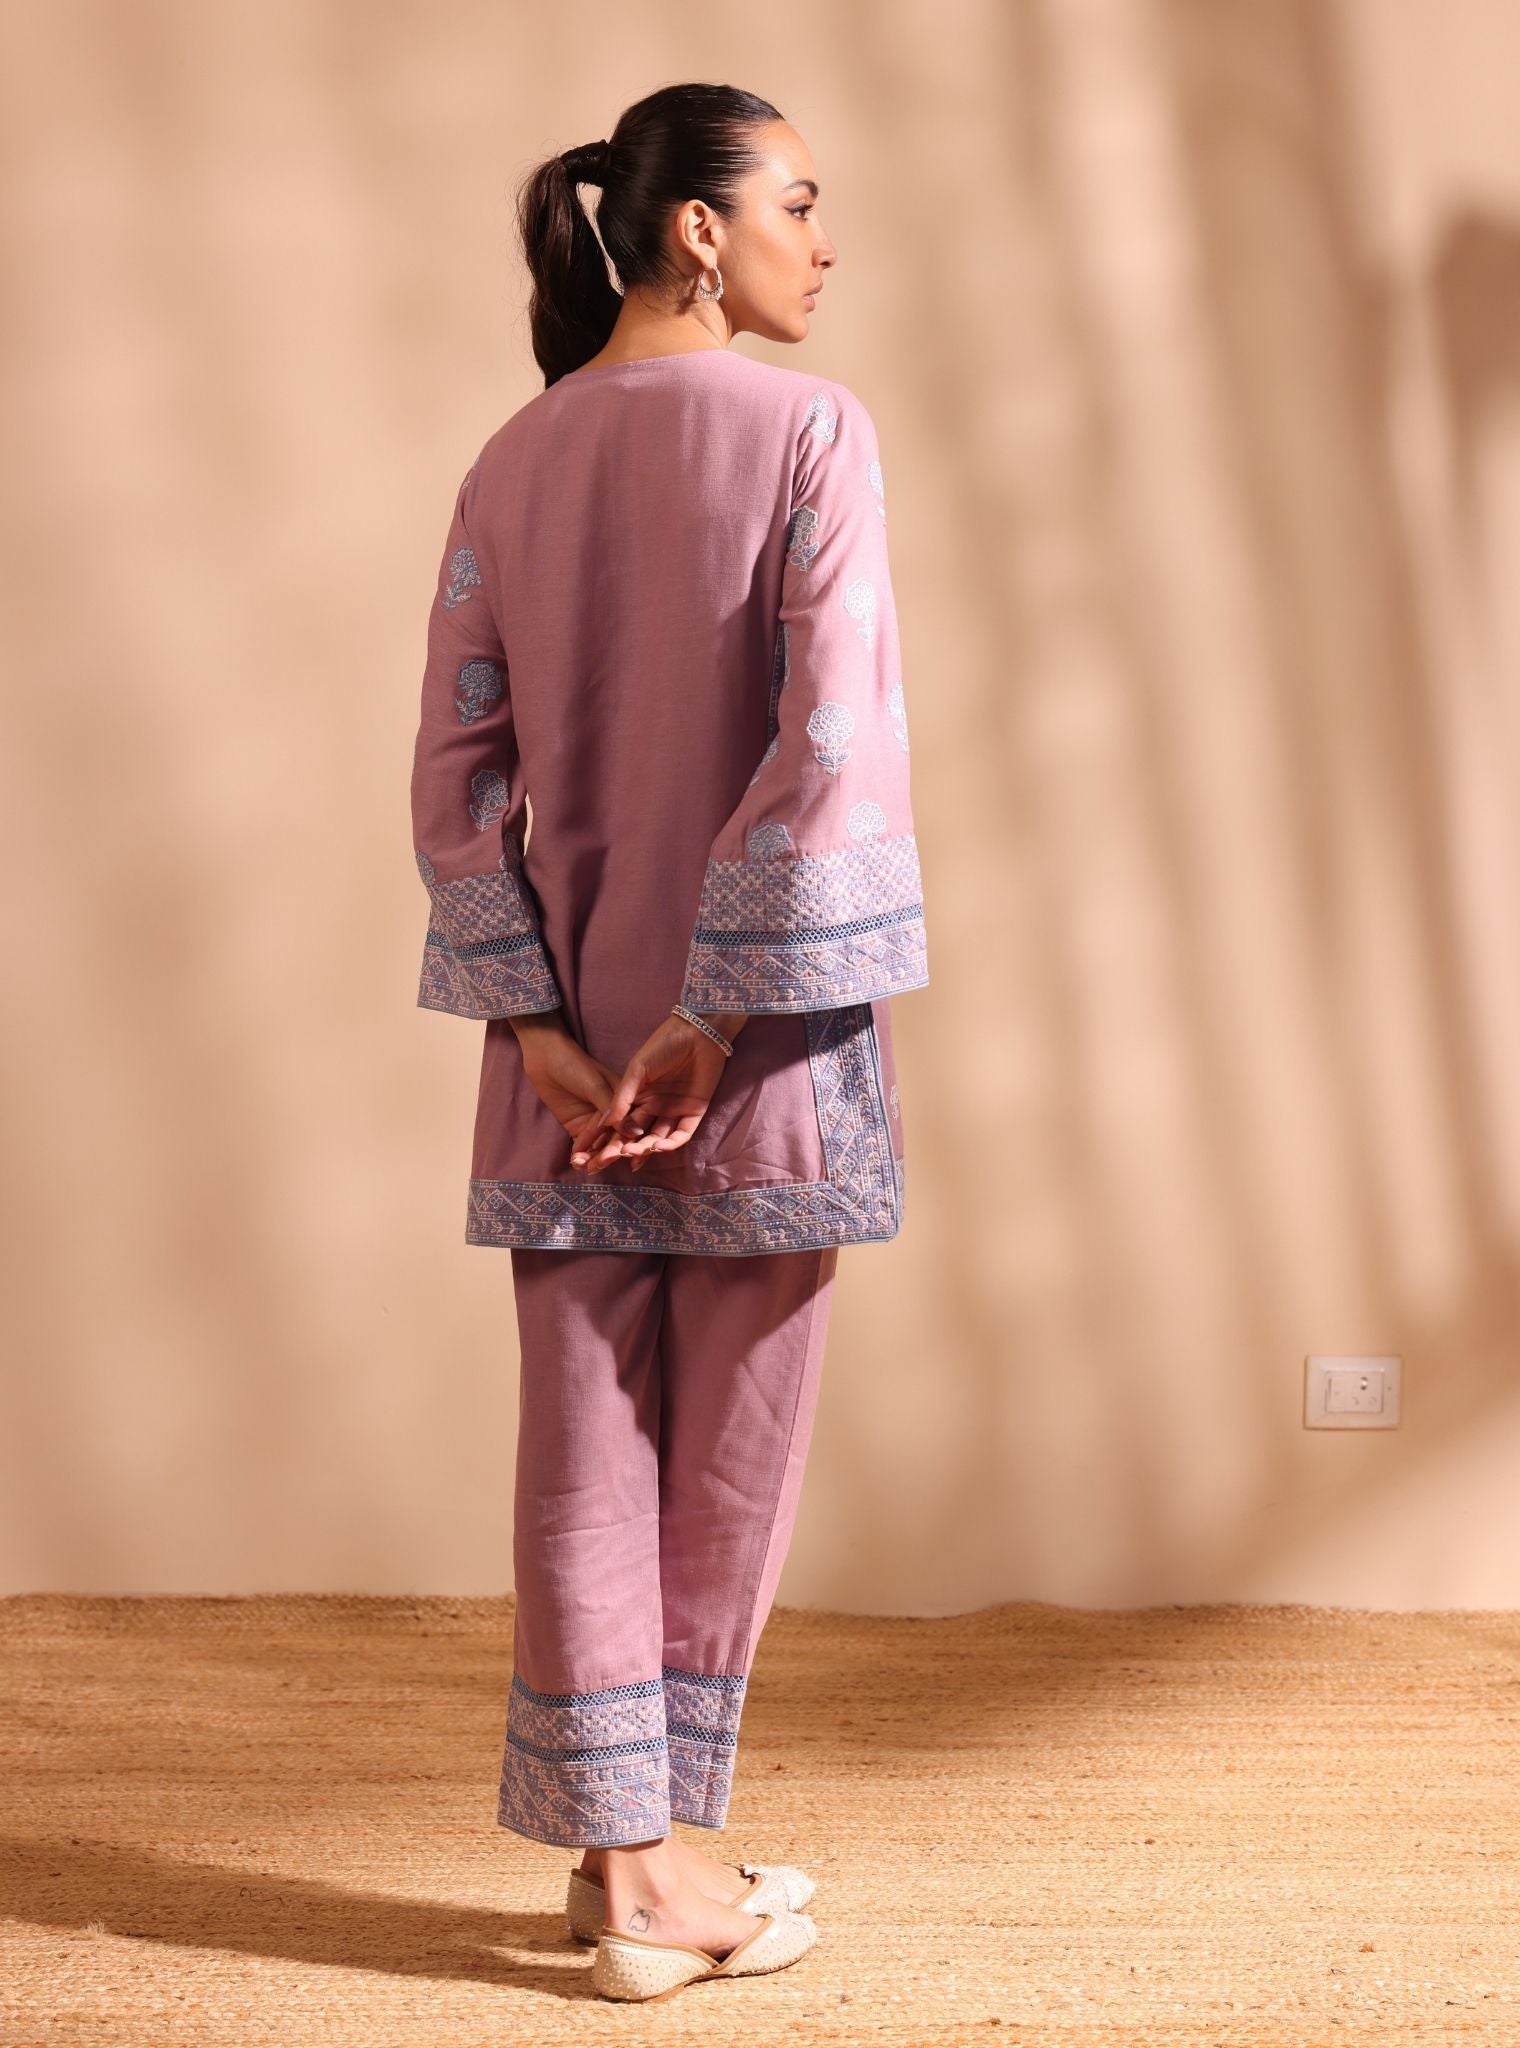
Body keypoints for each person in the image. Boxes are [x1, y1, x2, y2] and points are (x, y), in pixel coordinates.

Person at [408, 81, 929, 2003]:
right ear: (698, 229)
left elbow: (458, 770)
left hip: (564, 1061)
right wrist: (715, 1014)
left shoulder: (512, 460)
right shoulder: (810, 432)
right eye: (798, 201)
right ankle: (647, 1882)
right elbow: (829, 738)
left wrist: (538, 1021)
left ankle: (632, 1855)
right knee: (728, 1458)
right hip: (754, 1047)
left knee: (583, 1448)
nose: (823, 241)